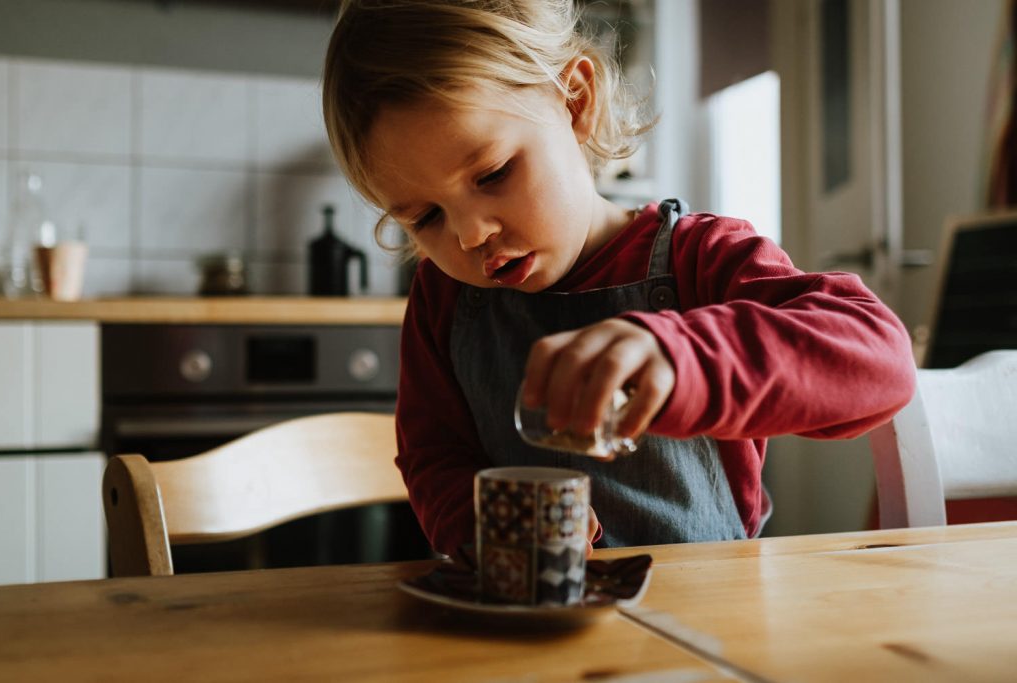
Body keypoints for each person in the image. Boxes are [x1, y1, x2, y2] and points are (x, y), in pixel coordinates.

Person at [321, 0, 916, 556]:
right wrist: (489, 533)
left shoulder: (699, 257)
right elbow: (435, 458)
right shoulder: (443, 300)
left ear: (575, 101)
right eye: (425, 217)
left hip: (711, 624)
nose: (471, 234)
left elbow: (880, 359)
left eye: (494, 173)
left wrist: (682, 357)